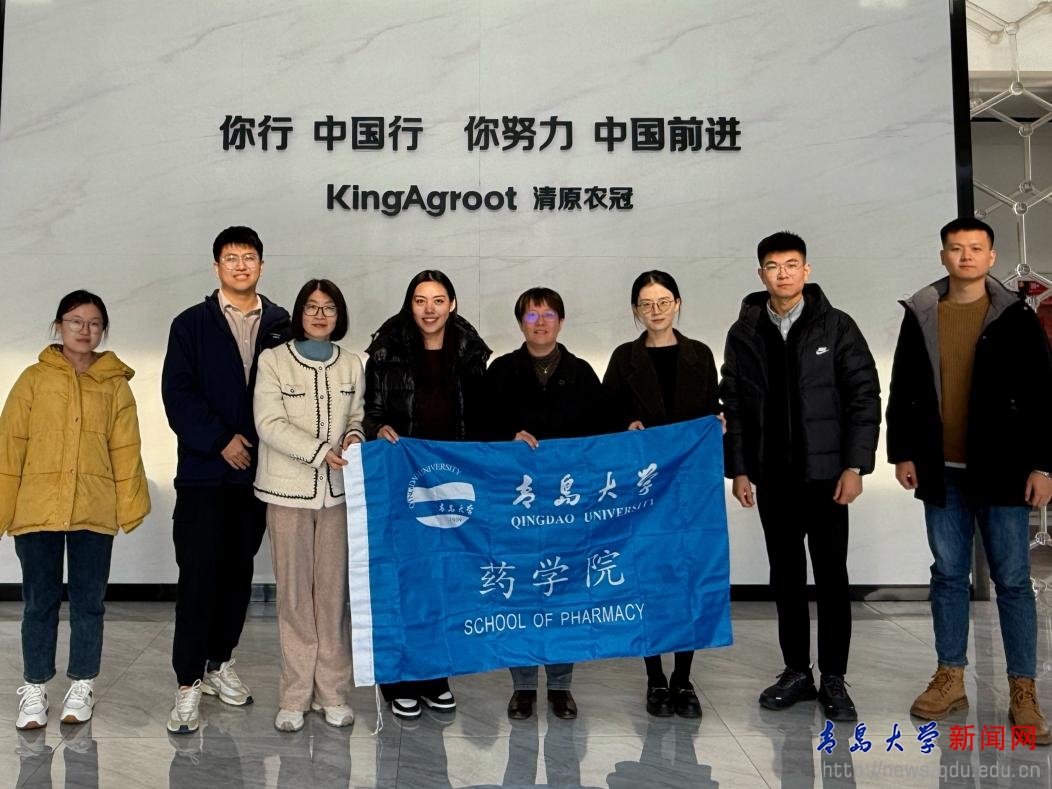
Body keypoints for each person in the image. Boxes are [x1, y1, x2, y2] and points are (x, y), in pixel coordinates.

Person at [887, 217, 1052, 742]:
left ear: (991, 256)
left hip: (1004, 469)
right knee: (948, 575)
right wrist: (902, 452)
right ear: (943, 256)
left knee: (1013, 581)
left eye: (975, 249)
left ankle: (1023, 689)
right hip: (942, 471)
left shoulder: (1016, 317)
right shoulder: (921, 313)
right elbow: (904, 385)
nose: (965, 257)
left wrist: (1044, 465)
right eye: (956, 249)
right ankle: (950, 677)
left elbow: (1043, 395)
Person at [720, 231, 880, 722]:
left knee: (831, 577)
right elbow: (735, 404)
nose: (783, 273)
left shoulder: (837, 325)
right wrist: (739, 469)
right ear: (761, 274)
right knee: (786, 578)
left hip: (827, 477)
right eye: (773, 266)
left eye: (791, 264)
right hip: (774, 478)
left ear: (806, 271)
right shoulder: (744, 332)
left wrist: (855, 466)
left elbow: (864, 397)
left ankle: (834, 677)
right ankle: (796, 671)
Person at [1, 290, 150, 729]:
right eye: (75, 321)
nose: (85, 330)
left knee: (89, 603)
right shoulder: (33, 379)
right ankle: (34, 688)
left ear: (103, 330)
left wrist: (129, 505)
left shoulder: (114, 384)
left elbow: (126, 449)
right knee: (39, 603)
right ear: (58, 326)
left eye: (94, 323)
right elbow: (10, 445)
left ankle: (82, 685)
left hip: (93, 509)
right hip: (37, 509)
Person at [161, 226, 290, 734]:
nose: (240, 265)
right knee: (198, 577)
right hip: (204, 475)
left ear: (261, 264)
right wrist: (220, 440)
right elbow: (178, 395)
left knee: (238, 576)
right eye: (231, 257)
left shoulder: (281, 322)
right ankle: (187, 682)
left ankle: (220, 663)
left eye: (249, 257)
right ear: (217, 266)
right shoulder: (190, 324)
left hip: (259, 475)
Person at [363, 269, 491, 719]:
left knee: (443, 580)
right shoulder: (386, 348)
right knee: (403, 578)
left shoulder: (472, 351)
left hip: (453, 482)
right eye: (420, 300)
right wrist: (379, 428)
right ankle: (397, 677)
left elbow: (482, 415)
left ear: (452, 304)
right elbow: (371, 411)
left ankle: (435, 673)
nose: (429, 309)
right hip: (403, 480)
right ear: (410, 304)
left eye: (438, 300)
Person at [485, 286, 617, 721]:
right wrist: (507, 437)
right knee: (520, 590)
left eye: (548, 315)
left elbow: (604, 433)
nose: (540, 323)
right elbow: (479, 430)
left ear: (561, 321)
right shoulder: (501, 371)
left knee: (564, 592)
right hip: (516, 505)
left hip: (567, 506)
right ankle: (523, 687)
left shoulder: (581, 373)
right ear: (519, 322)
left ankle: (560, 687)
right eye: (531, 316)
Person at [603, 270, 719, 719]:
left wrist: (719, 420)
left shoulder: (700, 354)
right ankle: (654, 678)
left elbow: (711, 407)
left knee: (689, 579)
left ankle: (683, 679)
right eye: (646, 304)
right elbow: (605, 416)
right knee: (647, 581)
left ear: (678, 304)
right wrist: (625, 425)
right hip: (643, 492)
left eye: (663, 302)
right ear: (635, 310)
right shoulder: (623, 358)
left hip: (691, 489)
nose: (655, 311)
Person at [254, 279, 364, 732]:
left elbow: (357, 415)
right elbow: (268, 422)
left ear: (340, 316)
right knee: (295, 597)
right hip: (286, 495)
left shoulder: (352, 363)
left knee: (333, 597)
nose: (320, 315)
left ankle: (332, 692)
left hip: (338, 497)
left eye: (329, 308)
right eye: (312, 307)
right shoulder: (274, 360)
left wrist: (354, 436)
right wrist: (320, 451)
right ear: (299, 313)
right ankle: (295, 694)